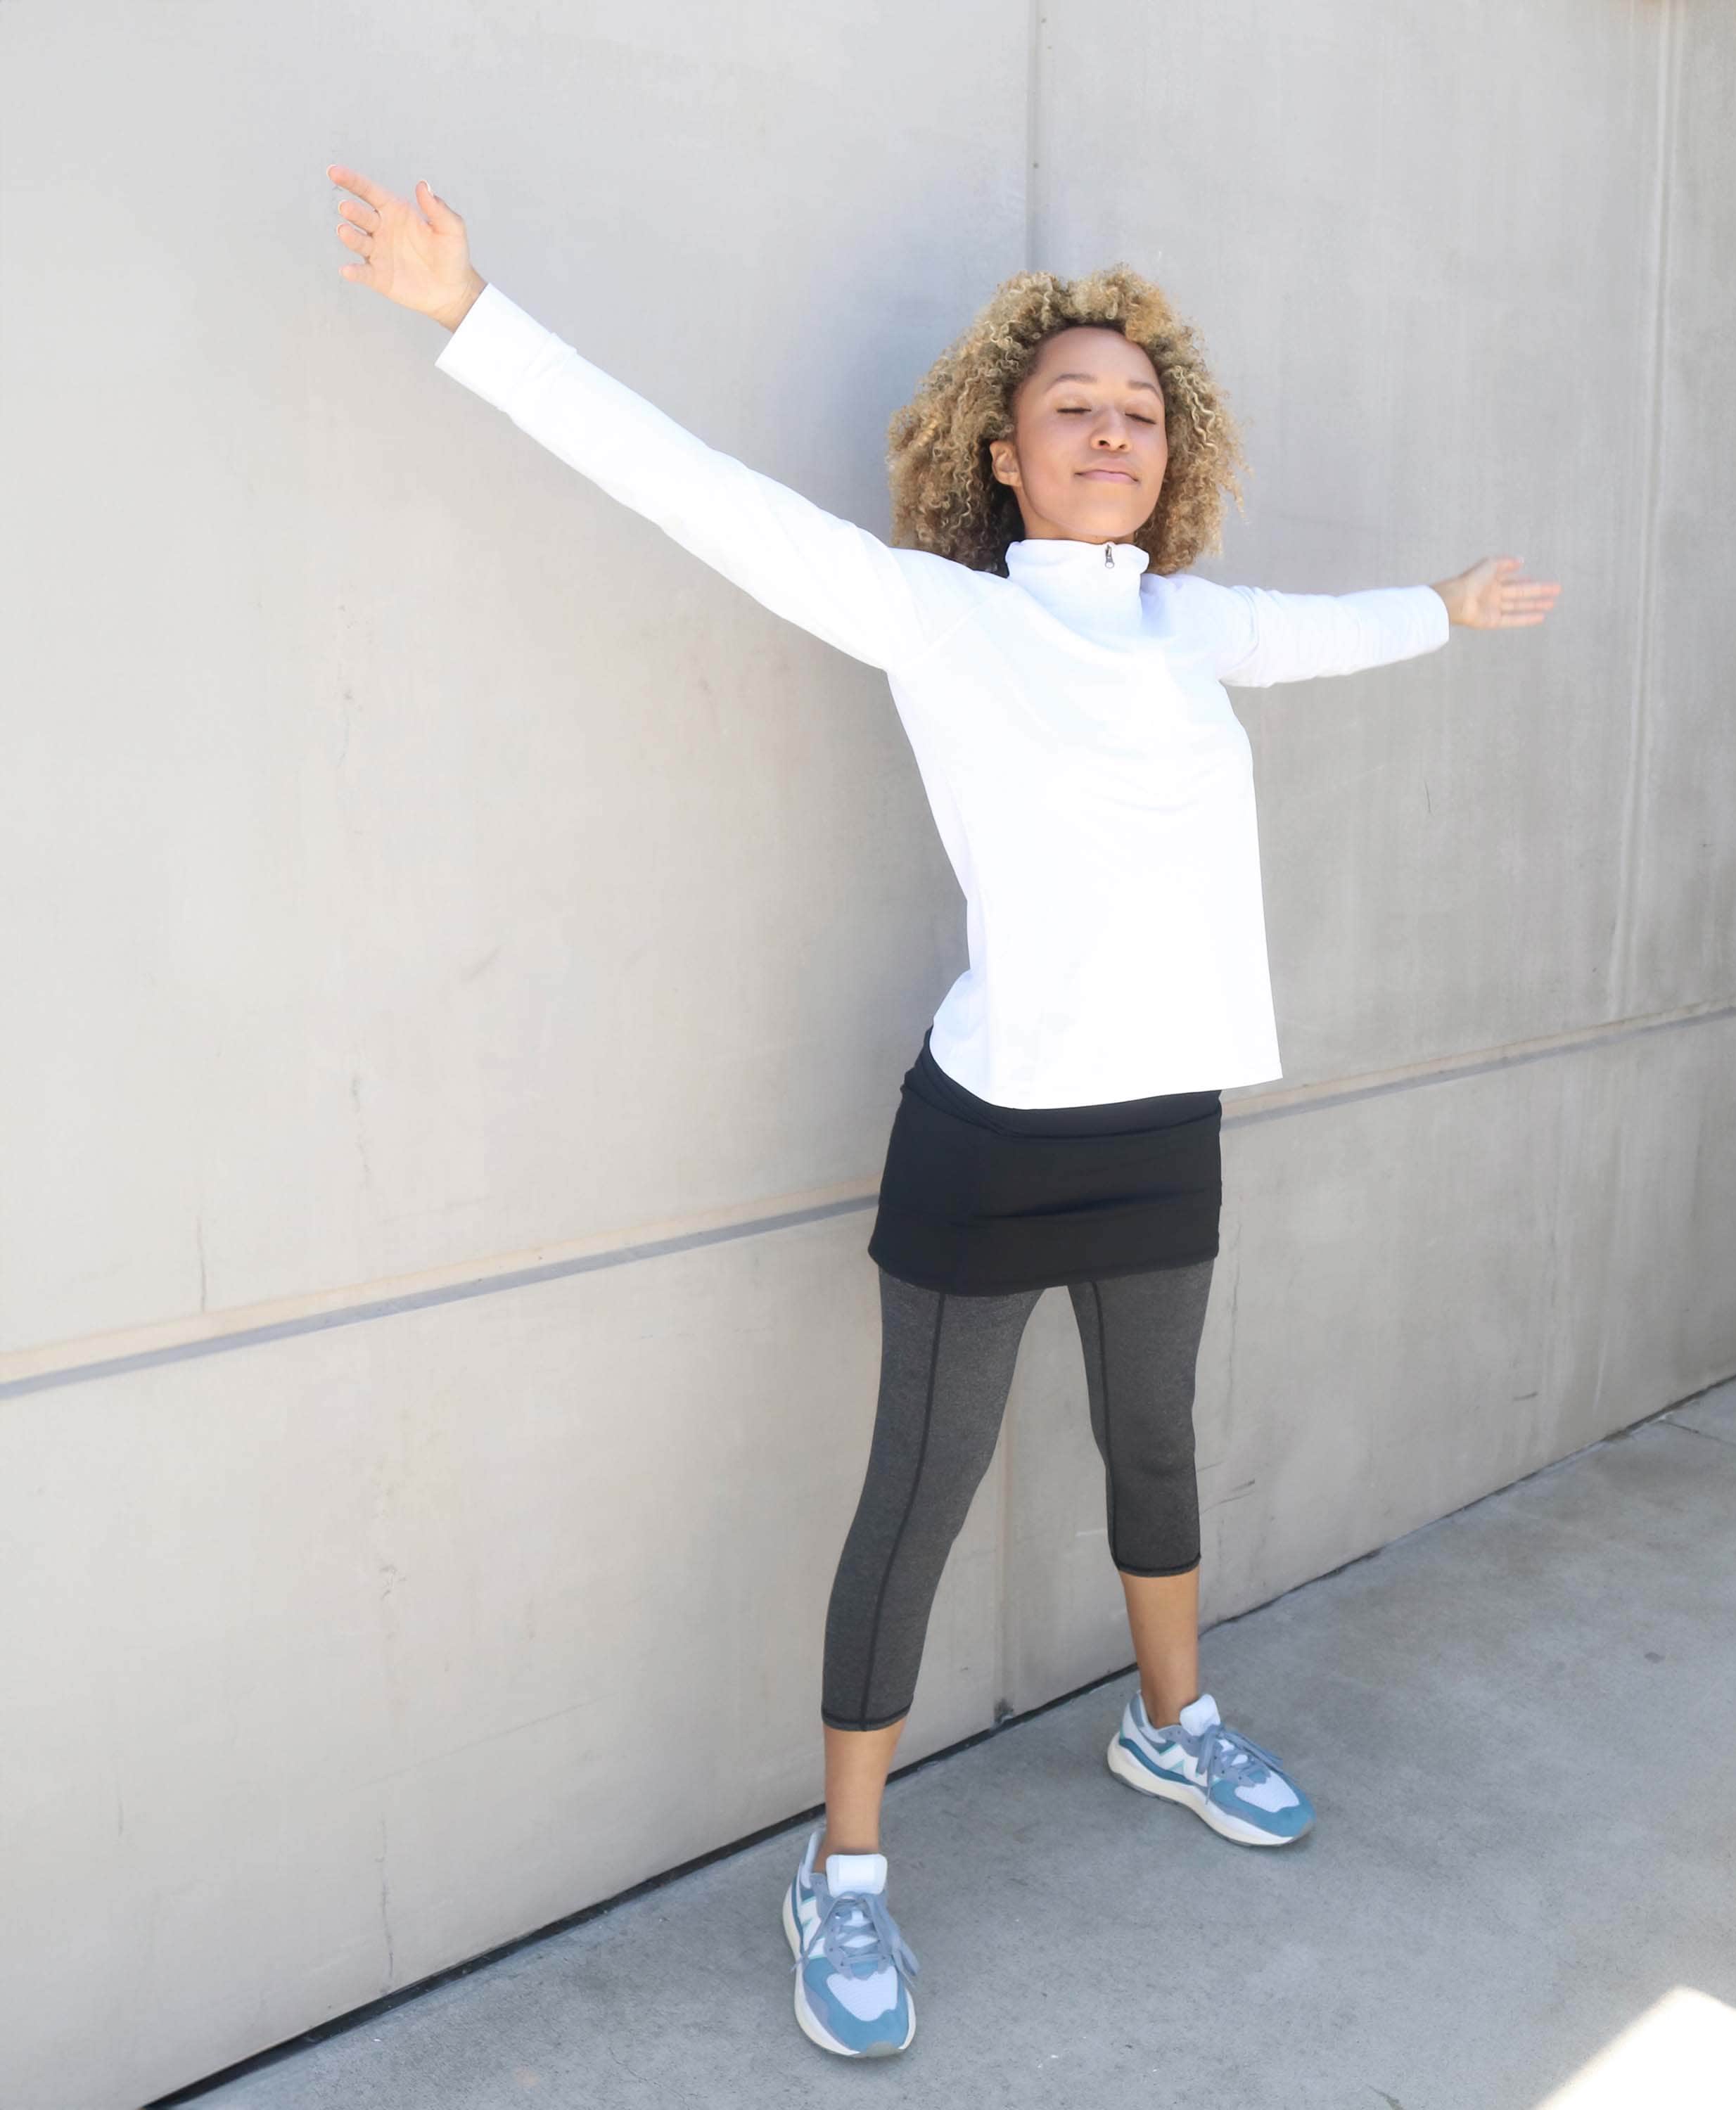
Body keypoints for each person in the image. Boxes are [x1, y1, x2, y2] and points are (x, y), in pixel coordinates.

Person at [325, 162, 1561, 2060]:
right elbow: (696, 496)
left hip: (1164, 1129)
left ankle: (1169, 1724)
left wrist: (1450, 611)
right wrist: (472, 318)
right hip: (992, 1144)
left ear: (1176, 454)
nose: (1115, 431)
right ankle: (844, 1873)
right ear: (1004, 447)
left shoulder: (1185, 633)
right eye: (1077, 405)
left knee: (1156, 1452)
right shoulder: (938, 617)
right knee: (919, 1504)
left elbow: (1321, 630)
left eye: (1143, 412)